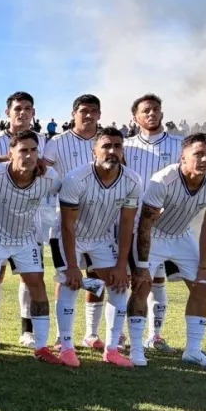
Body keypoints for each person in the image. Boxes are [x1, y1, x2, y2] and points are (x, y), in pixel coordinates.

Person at [127, 133, 206, 368]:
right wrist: (141, 266)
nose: (205, 159)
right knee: (142, 285)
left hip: (182, 236)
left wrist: (204, 266)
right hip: (153, 234)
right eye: (198, 154)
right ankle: (136, 349)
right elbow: (145, 224)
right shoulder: (162, 180)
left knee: (203, 284)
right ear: (183, 158)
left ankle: (193, 351)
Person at [54, 127, 143, 368]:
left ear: (123, 151)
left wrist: (121, 265)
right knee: (70, 283)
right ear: (94, 151)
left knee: (119, 286)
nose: (112, 151)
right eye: (106, 146)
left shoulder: (132, 180)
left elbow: (126, 224)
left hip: (101, 238)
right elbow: (67, 226)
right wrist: (73, 266)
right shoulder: (76, 179)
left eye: (117, 146)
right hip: (68, 236)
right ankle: (66, 347)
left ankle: (112, 350)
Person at [0, 131, 63, 364]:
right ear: (10, 153)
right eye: (23, 150)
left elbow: (68, 191)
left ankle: (41, 346)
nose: (29, 155)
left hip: (25, 239)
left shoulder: (49, 176)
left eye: (34, 150)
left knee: (38, 287)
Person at [122, 94, 184, 352]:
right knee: (127, 279)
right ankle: (119, 335)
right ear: (135, 117)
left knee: (157, 281)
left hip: (164, 225)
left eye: (156, 109)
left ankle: (155, 335)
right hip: (130, 223)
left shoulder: (180, 144)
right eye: (146, 110)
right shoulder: (125, 146)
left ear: (162, 113)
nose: (151, 114)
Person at [42, 94, 103, 350]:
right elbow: (42, 172)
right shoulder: (57, 142)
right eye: (83, 111)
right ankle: (61, 336)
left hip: (101, 223)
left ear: (99, 114)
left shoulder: (105, 141)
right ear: (73, 114)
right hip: (64, 221)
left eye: (93, 111)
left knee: (97, 276)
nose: (88, 115)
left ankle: (91, 334)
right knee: (66, 277)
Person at [0, 92, 38, 347]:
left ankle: (27, 331)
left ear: (33, 113)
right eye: (18, 108)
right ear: (8, 112)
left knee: (29, 277)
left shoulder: (43, 141)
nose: (22, 113)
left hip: (30, 222)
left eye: (28, 108)